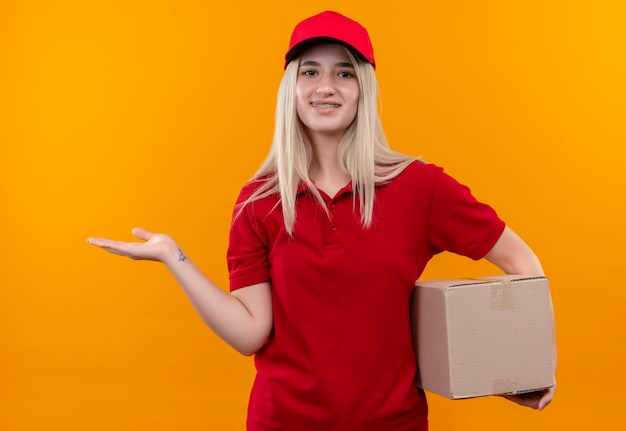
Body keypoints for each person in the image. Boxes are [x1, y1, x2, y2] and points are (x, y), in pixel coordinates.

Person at [88, 10, 556, 431]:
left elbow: (521, 262)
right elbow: (250, 333)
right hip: (282, 424)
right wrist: (175, 256)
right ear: (291, 87)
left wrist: (522, 363)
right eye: (309, 71)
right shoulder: (259, 202)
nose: (325, 86)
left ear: (364, 88)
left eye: (344, 73)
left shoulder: (421, 187)